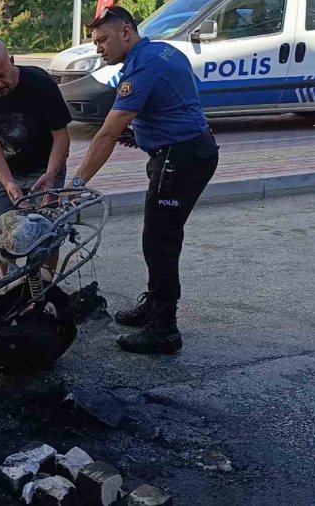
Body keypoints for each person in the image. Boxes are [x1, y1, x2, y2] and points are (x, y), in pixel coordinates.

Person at [66, 7, 219, 354]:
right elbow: (174, 104)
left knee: (159, 241)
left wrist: (75, 186)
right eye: (95, 42)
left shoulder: (145, 65)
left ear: (126, 32)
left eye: (103, 40)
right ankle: (154, 306)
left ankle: (164, 328)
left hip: (180, 158)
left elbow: (105, 135)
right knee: (159, 236)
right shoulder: (160, 51)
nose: (98, 48)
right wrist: (145, 134)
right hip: (187, 151)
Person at [0, 39, 72, 275]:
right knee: (3, 233)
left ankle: (44, 286)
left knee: (46, 232)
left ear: (12, 61)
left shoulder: (40, 84)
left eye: (1, 75)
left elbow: (62, 137)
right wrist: (8, 183)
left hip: (45, 168)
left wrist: (51, 175)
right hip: (8, 171)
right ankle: (10, 288)